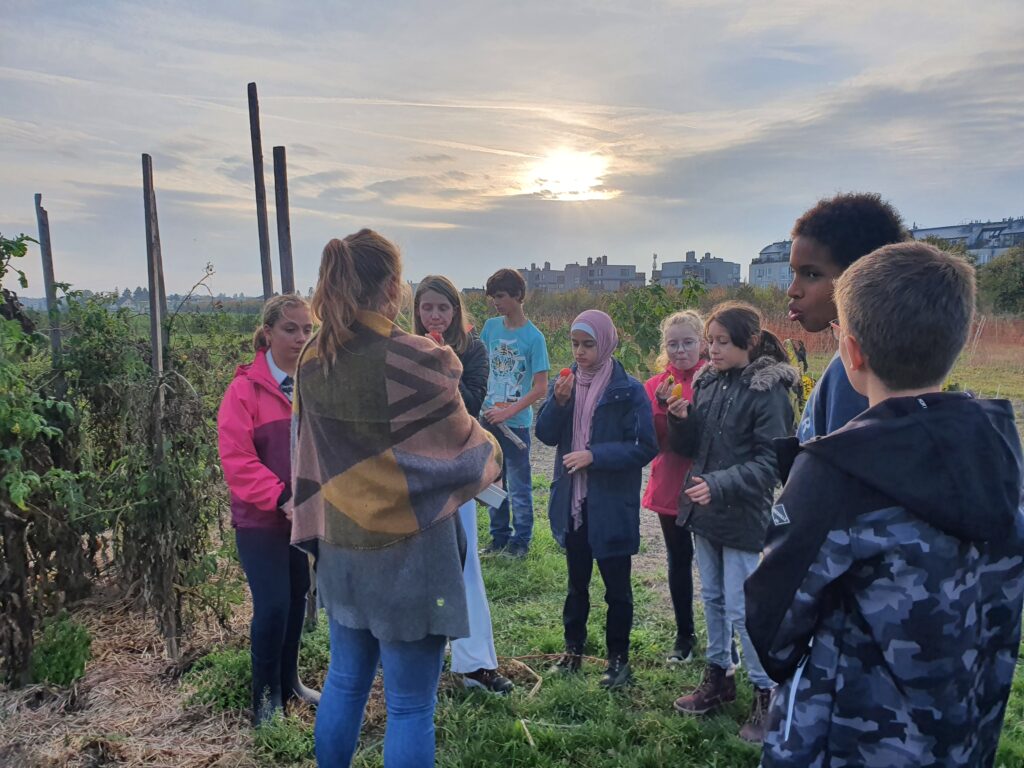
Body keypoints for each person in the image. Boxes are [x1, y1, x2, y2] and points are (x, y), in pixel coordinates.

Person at [746, 242, 1024, 767]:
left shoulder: (834, 472)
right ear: (960, 338)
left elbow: (772, 621)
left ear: (851, 352)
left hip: (850, 740)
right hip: (964, 731)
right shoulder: (997, 449)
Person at [289, 230, 502, 768]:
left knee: (344, 682)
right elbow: (470, 454)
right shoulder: (415, 358)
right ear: (391, 286)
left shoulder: (314, 357)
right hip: (411, 557)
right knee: (409, 706)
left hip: (341, 548)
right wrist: (491, 448)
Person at [668, 301, 798, 743]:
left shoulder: (768, 391)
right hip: (705, 509)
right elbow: (694, 447)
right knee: (713, 598)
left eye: (722, 342)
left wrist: (719, 485)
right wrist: (681, 419)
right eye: (711, 341)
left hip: (742, 515)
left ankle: (766, 692)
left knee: (743, 608)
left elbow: (771, 463)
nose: (713, 350)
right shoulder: (708, 382)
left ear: (751, 341)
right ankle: (719, 676)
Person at [535, 310, 658, 689]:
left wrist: (595, 456)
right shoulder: (566, 383)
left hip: (610, 504)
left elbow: (644, 446)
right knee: (576, 584)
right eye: (575, 344)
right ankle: (572, 652)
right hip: (573, 502)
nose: (580, 352)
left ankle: (618, 661)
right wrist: (558, 403)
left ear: (606, 343)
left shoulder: (628, 390)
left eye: (588, 344)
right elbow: (545, 435)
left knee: (617, 589)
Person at [216, 294, 319, 726]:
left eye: (307, 329)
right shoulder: (245, 391)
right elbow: (237, 459)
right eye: (290, 329)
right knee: (273, 604)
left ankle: (289, 683)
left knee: (297, 597)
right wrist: (281, 498)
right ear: (268, 333)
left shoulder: (313, 386)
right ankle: (264, 698)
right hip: (261, 521)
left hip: (303, 517)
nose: (300, 338)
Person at [413, 275, 513, 696]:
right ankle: (416, 658)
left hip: (457, 468)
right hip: (415, 469)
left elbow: (471, 402)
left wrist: (444, 365)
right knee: (415, 565)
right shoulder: (405, 349)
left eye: (443, 307)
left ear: (455, 311)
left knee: (465, 560)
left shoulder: (472, 350)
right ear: (417, 311)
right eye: (427, 308)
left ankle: (475, 663)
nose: (435, 315)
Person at [787, 192, 906, 440]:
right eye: (794, 273)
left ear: (859, 277)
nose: (793, 290)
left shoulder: (857, 375)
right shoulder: (860, 358)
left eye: (811, 275)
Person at [642, 310, 707, 664]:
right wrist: (660, 406)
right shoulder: (655, 386)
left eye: (688, 342)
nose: (680, 350)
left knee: (715, 564)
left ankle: (724, 635)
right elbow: (652, 440)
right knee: (679, 558)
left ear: (703, 343)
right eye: (673, 344)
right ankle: (685, 634)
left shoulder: (714, 380)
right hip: (671, 482)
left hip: (708, 480)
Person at [479, 268, 550, 557]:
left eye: (501, 296)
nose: (496, 302)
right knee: (492, 481)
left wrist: (508, 412)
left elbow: (540, 387)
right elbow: (481, 367)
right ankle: (498, 537)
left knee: (519, 486)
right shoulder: (490, 328)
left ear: (518, 296)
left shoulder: (534, 338)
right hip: (487, 419)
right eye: (493, 297)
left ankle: (521, 541)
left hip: (516, 424)